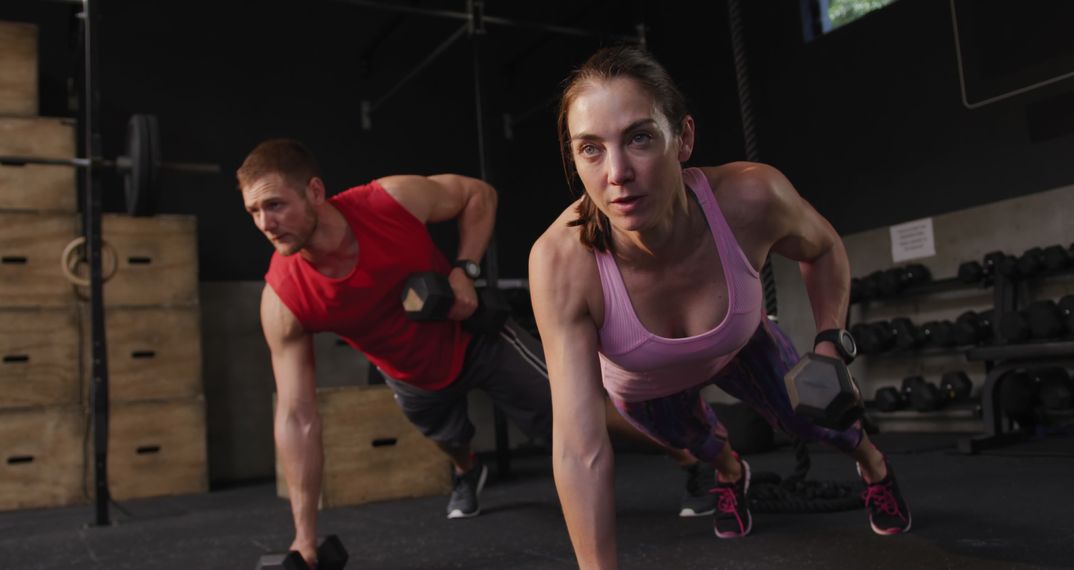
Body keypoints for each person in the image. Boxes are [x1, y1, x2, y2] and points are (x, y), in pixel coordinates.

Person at [529, 45, 912, 568]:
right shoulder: (560, 262)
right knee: (701, 446)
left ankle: (873, 466)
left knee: (822, 422)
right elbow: (579, 450)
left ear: (682, 138)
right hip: (643, 386)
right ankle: (732, 474)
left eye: (640, 137)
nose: (617, 173)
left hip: (740, 345)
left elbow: (823, 248)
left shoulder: (752, 197)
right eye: (590, 149)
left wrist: (829, 341)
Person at [236, 139, 553, 567]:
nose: (265, 223)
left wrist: (465, 271)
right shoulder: (283, 298)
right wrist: (304, 539)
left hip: (474, 337)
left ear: (314, 191)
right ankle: (467, 470)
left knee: (576, 412)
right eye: (253, 212)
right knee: (449, 438)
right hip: (411, 373)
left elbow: (480, 194)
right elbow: (297, 415)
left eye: (274, 205)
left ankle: (677, 453)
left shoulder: (389, 200)